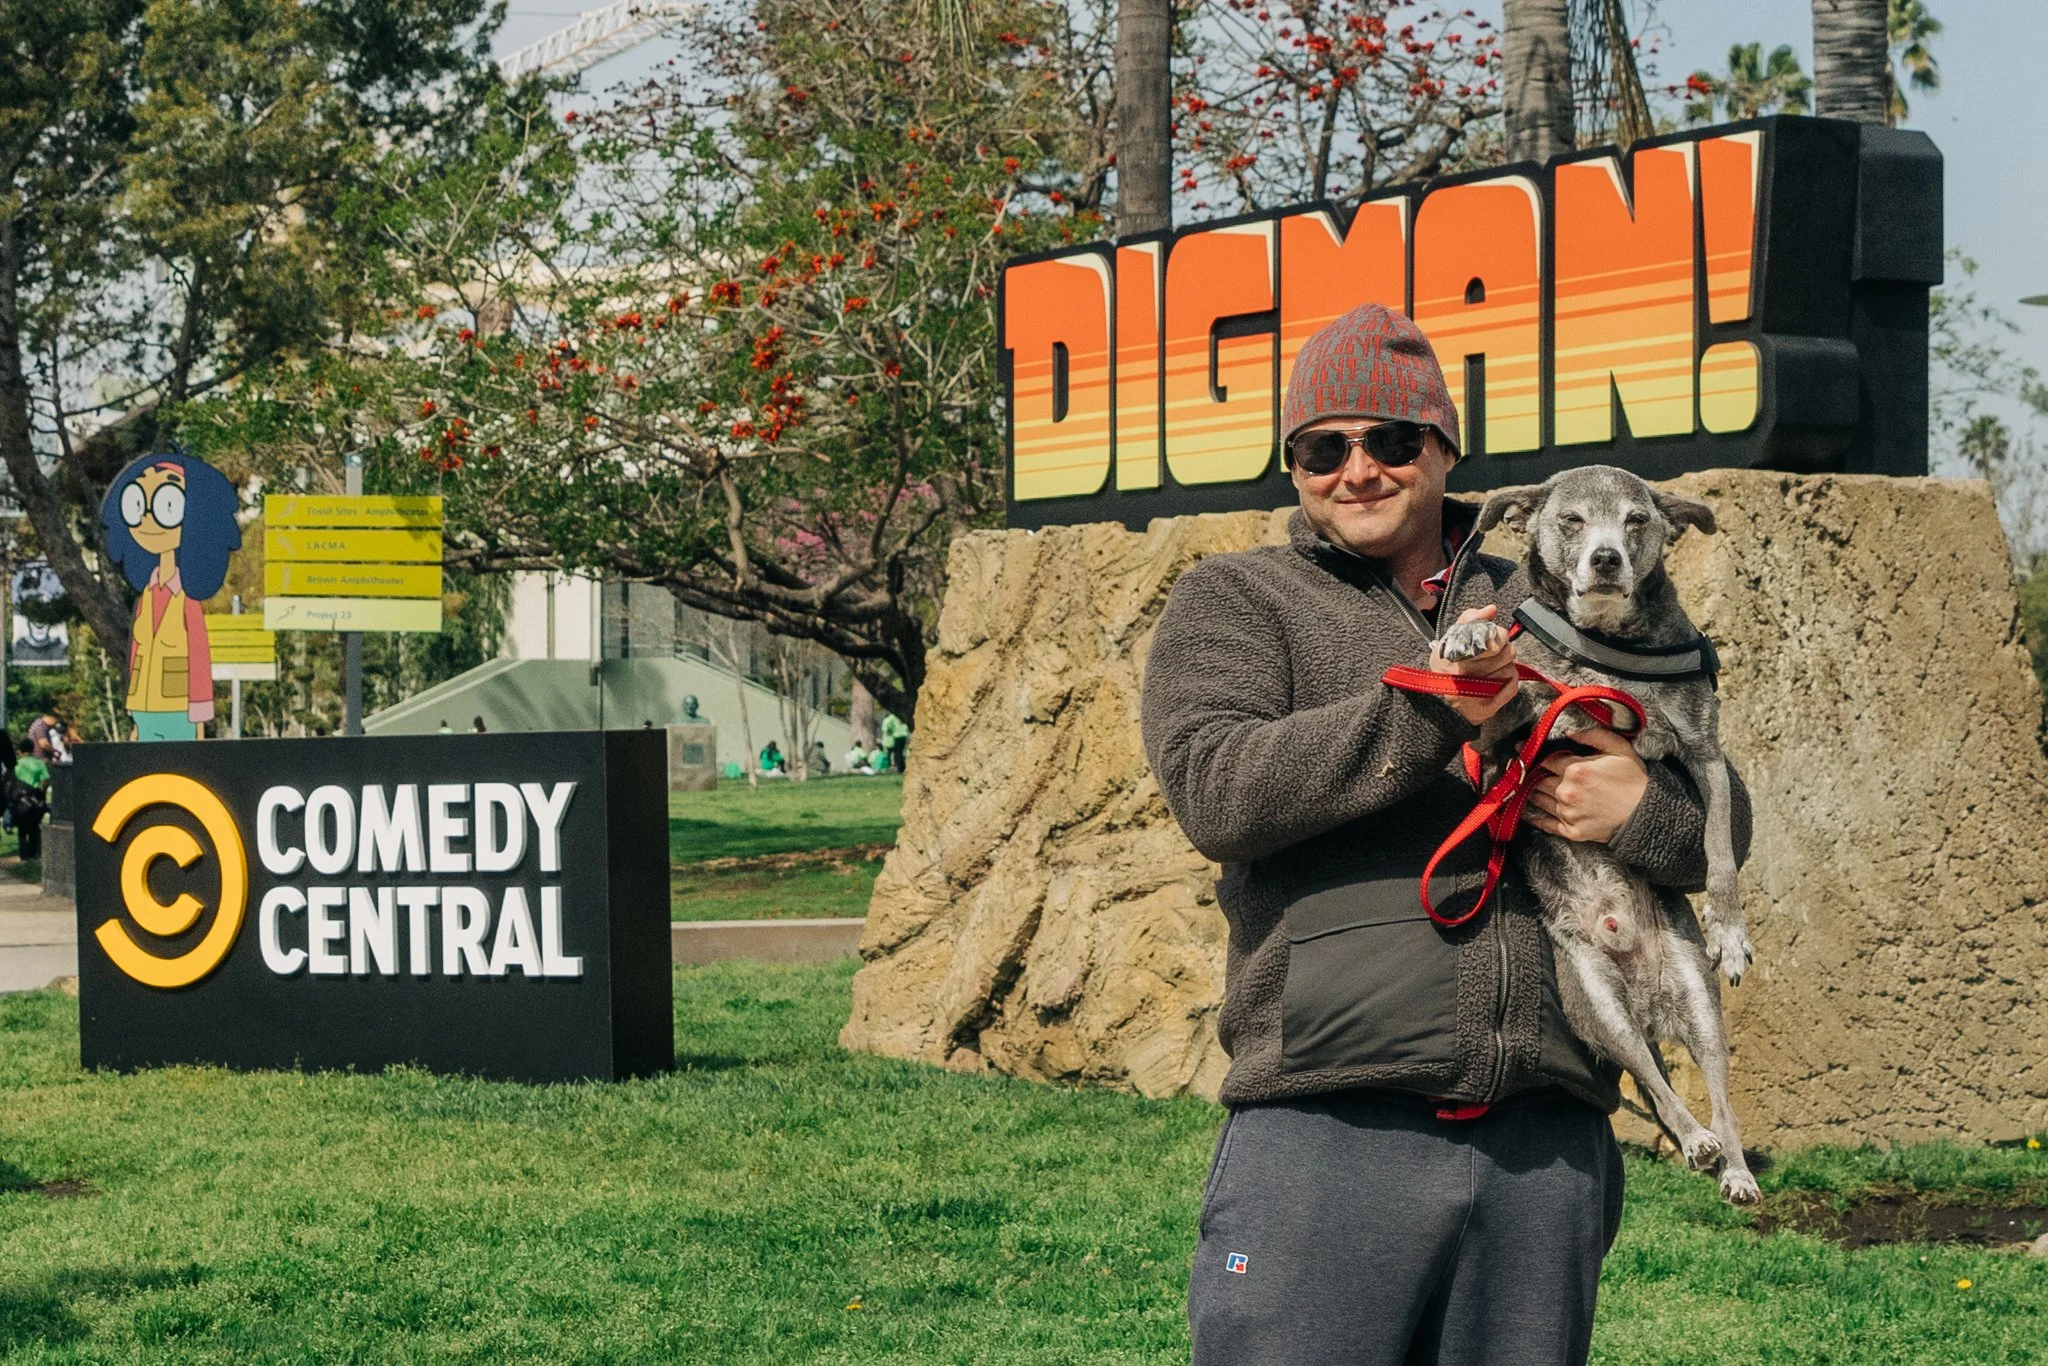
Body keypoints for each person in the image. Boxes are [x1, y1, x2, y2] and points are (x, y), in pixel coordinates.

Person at [1139, 302, 1752, 1366]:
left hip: (1545, 1138)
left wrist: (1634, 809)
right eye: (1321, 448)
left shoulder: (1554, 587)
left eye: (1390, 440)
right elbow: (1216, 792)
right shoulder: (1238, 599)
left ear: (1444, 449)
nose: (1357, 469)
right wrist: (1429, 709)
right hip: (1329, 1126)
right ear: (1292, 465)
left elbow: (1721, 812)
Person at [99, 450, 242, 741]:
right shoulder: (147, 594)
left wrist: (199, 715)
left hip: (178, 709)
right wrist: (133, 710)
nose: (146, 519)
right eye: (137, 505)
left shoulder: (187, 600)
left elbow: (199, 656)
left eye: (167, 505)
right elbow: (137, 652)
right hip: (143, 706)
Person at [8, 736, 50, 861]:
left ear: (20, 751)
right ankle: (34, 854)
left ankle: (24, 855)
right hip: (35, 800)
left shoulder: (16, 764)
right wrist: (39, 790)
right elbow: (45, 780)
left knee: (22, 830)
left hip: (20, 801)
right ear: (33, 750)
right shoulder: (39, 763)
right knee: (35, 828)